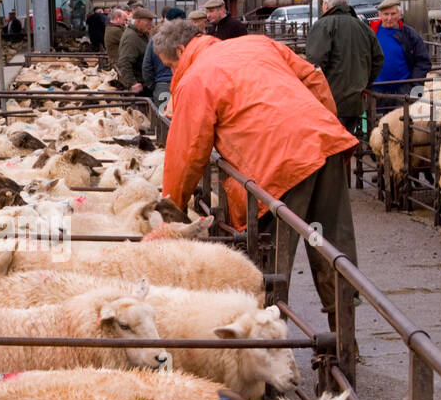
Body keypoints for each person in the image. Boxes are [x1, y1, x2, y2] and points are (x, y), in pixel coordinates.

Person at [153, 19, 359, 330]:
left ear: (181, 51)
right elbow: (314, 79)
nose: (171, 73)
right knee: (330, 243)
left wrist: (173, 206)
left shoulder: (196, 77)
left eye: (170, 65)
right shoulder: (258, 43)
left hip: (276, 167)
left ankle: (269, 347)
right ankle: (344, 340)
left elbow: (188, 149)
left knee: (273, 261)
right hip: (322, 145)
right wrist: (325, 126)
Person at [305, 0, 385, 136]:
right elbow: (378, 59)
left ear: (326, 5)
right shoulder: (363, 27)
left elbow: (315, 63)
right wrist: (364, 82)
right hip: (355, 102)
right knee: (347, 141)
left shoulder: (323, 26)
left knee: (332, 147)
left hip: (330, 101)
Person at [369, 0, 431, 111]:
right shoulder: (371, 33)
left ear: (400, 13)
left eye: (393, 14)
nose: (389, 18)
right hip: (376, 92)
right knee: (376, 125)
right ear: (380, 14)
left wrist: (413, 85)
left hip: (402, 90)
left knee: (402, 125)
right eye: (385, 14)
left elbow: (423, 61)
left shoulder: (410, 35)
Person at [143, 6, 185, 102]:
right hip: (183, 84)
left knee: (163, 116)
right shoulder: (187, 39)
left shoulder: (154, 40)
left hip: (162, 86)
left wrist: (153, 85)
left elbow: (147, 66)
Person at [114, 7, 155, 94]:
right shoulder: (131, 37)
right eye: (148, 22)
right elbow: (124, 62)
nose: (151, 25)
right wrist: (133, 83)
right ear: (138, 21)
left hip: (144, 82)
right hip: (140, 86)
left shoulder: (141, 34)